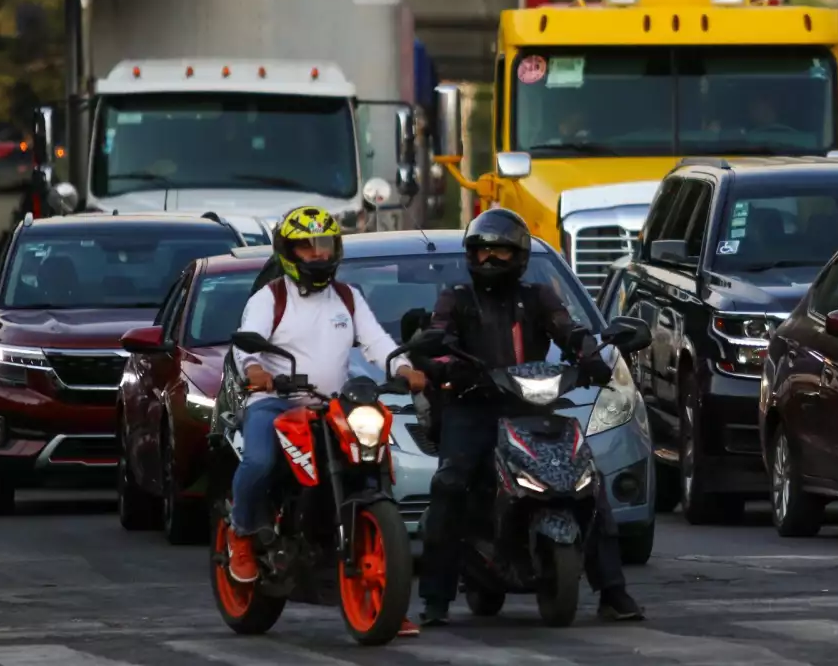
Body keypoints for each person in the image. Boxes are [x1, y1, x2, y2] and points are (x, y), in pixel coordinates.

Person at [415, 208, 644, 626]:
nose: (490, 261)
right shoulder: (457, 298)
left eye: (500, 253)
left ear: (518, 256)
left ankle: (613, 591)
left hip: (531, 403)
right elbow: (439, 336)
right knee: (450, 484)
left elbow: (568, 328)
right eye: (482, 253)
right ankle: (435, 599)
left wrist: (589, 354)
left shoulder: (538, 296)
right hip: (474, 405)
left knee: (588, 481)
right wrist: (447, 363)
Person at [226, 205, 427, 633]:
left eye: (325, 246)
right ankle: (242, 534)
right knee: (260, 462)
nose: (318, 255)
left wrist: (404, 369)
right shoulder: (271, 297)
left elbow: (379, 344)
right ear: (287, 252)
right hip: (275, 404)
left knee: (374, 471)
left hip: (334, 405)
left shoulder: (348, 298)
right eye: (307, 247)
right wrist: (257, 373)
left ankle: (389, 602)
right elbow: (247, 347)